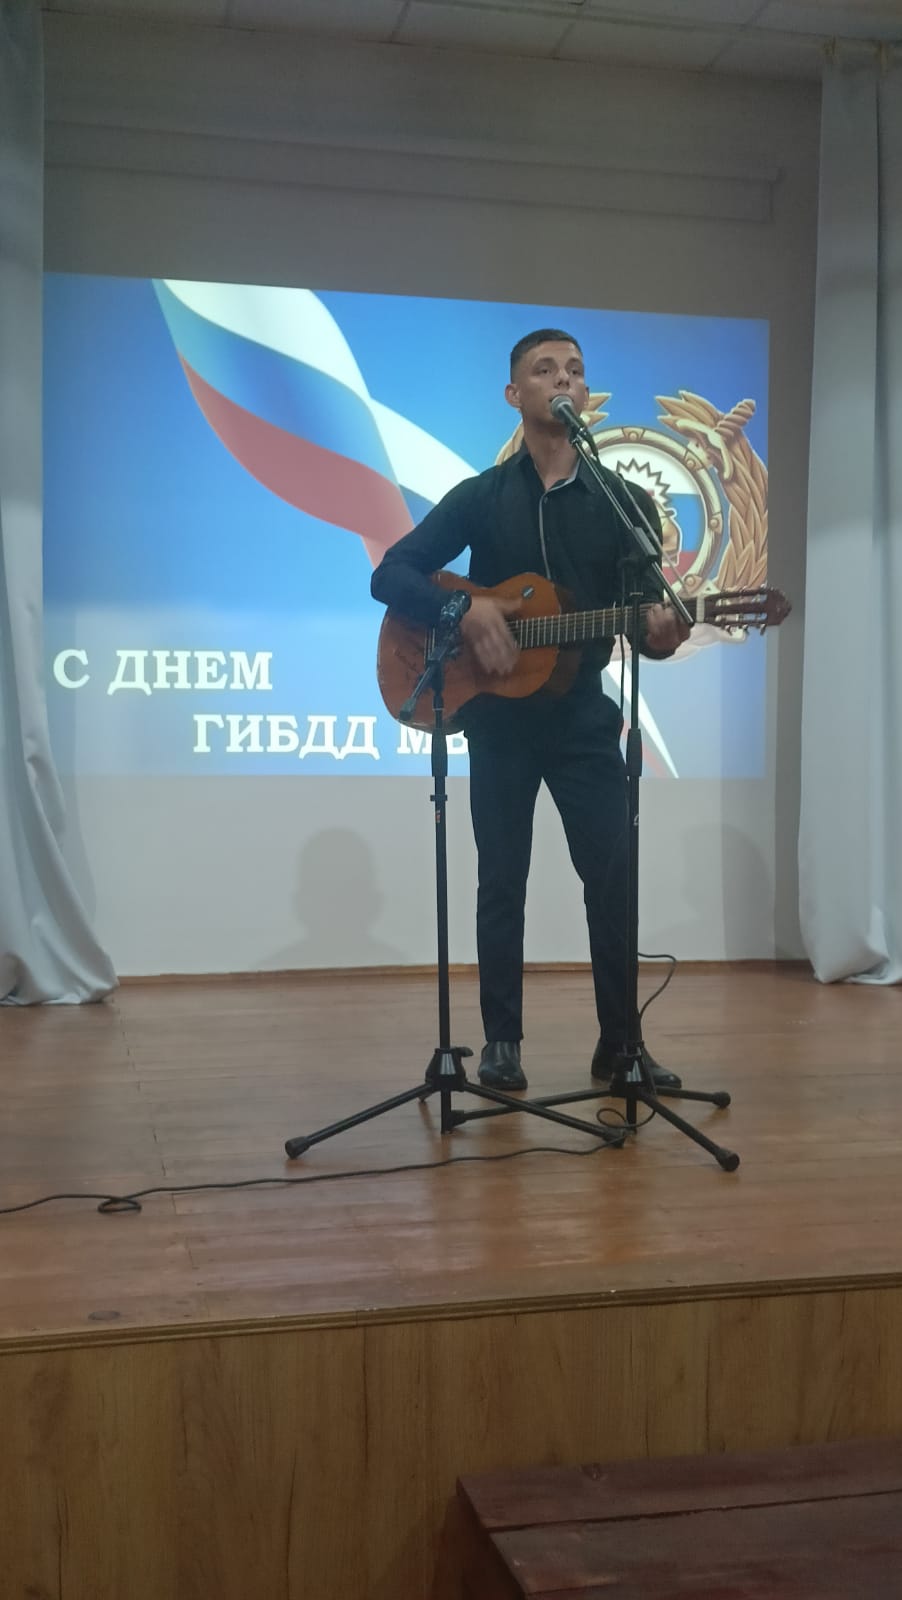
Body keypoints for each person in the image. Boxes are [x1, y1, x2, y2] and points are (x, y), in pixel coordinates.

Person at [371, 329, 691, 1092]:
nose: (564, 380)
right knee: (501, 880)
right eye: (545, 370)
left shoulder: (624, 503)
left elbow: (645, 624)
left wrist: (661, 634)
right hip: (501, 722)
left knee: (610, 878)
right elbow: (392, 574)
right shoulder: (483, 496)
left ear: (586, 395)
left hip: (583, 719)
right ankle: (501, 1043)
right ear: (516, 395)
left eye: (575, 371)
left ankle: (621, 1046)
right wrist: (467, 611)